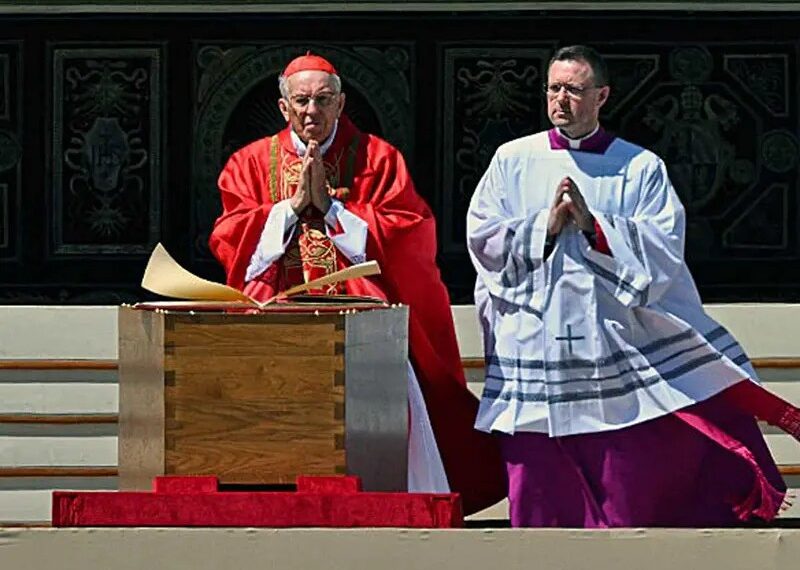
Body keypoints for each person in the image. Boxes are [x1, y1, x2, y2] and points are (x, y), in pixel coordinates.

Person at [467, 44, 800, 527]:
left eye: (575, 90)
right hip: (538, 352)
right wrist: (546, 225)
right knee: (539, 491)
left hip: (613, 353)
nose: (562, 100)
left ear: (601, 95)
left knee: (622, 490)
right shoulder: (511, 160)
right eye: (555, 88)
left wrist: (593, 226)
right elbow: (483, 237)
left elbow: (664, 251)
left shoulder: (640, 167)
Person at [209, 52, 506, 515]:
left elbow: (413, 233)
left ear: (341, 103)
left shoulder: (379, 159)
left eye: (324, 100)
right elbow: (228, 237)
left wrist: (332, 210)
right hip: (272, 322)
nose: (313, 111)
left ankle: (390, 510)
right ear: (283, 107)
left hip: (364, 324)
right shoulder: (247, 164)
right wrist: (288, 210)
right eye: (302, 101)